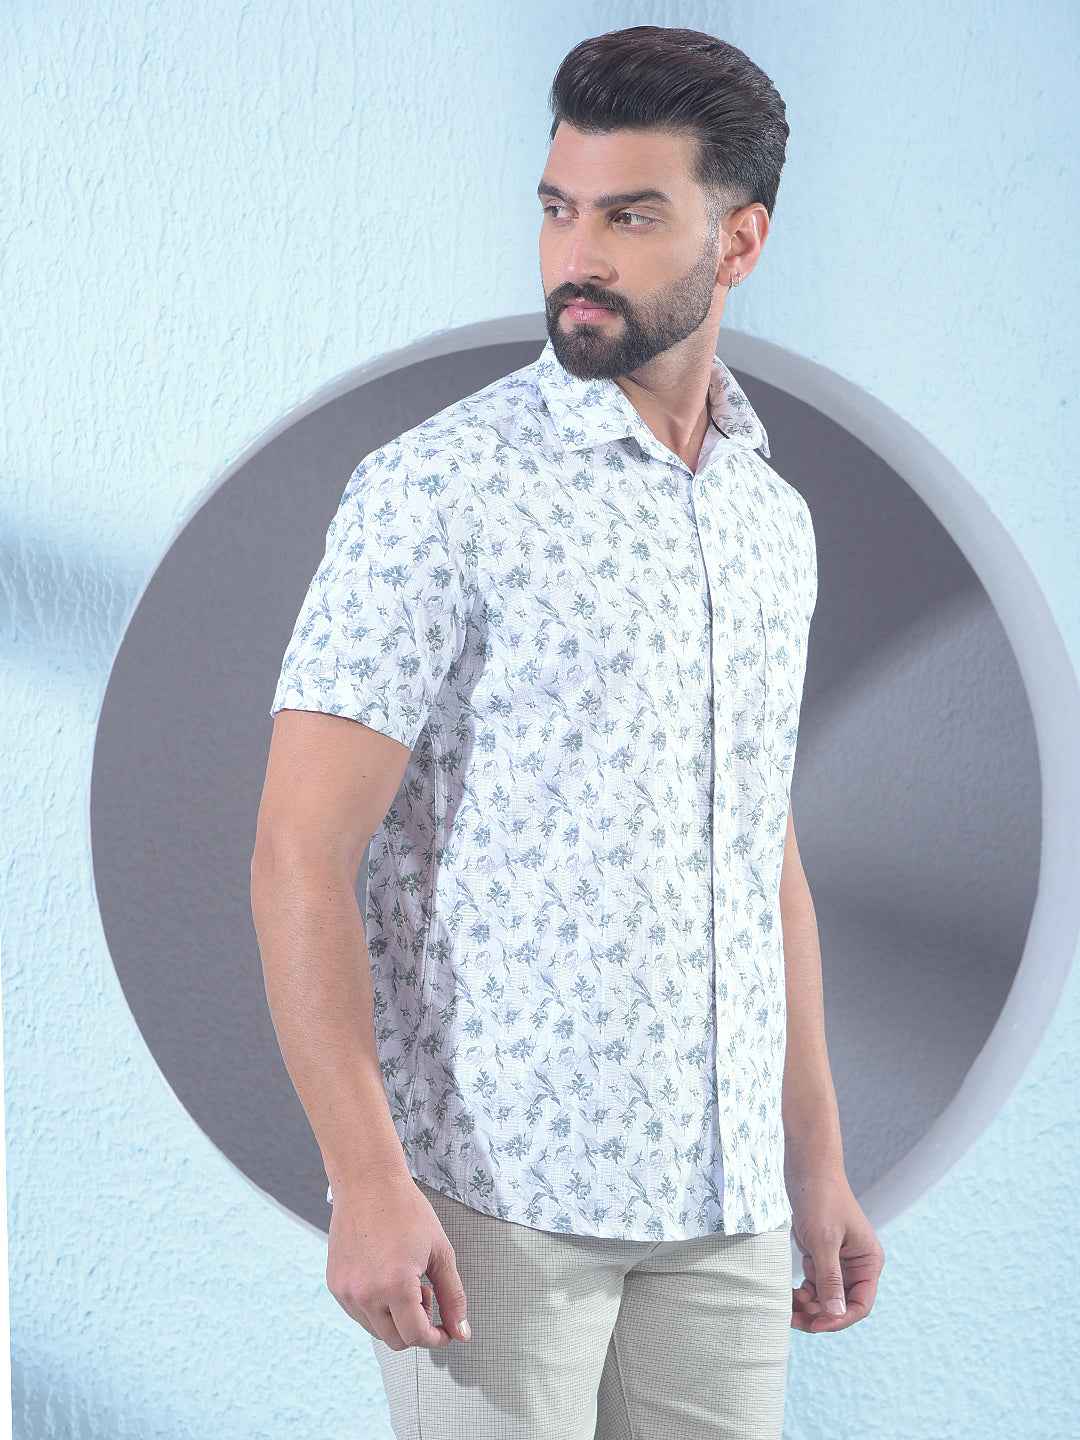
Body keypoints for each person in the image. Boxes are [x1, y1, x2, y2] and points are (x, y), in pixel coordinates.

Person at [251, 23, 884, 1440]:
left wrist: (815, 1164)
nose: (576, 256)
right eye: (559, 209)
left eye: (630, 216)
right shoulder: (439, 489)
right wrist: (367, 1181)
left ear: (739, 242)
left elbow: (760, 856)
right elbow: (298, 852)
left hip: (725, 1209)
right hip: (496, 1202)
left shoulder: (769, 519)